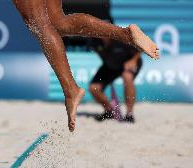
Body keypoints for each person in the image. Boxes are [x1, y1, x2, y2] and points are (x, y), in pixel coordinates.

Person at [12, 0, 159, 132]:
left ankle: (71, 90)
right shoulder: (96, 45)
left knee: (38, 23)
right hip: (114, 64)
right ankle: (125, 34)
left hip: (126, 63)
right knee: (58, 23)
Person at [89, 38, 142, 123]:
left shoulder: (120, 38)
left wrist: (133, 60)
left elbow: (141, 47)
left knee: (127, 77)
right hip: (111, 66)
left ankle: (129, 114)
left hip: (129, 62)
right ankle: (110, 111)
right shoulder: (94, 40)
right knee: (93, 88)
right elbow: (103, 56)